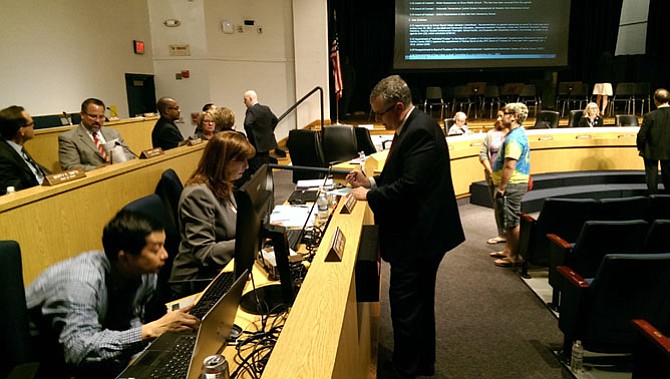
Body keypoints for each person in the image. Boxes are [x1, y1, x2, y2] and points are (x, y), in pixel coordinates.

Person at [346, 75, 464, 378]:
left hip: (419, 239)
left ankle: (406, 369)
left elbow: (409, 188)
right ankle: (422, 363)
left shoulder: (420, 130)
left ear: (398, 106)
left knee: (406, 305)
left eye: (380, 113)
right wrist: (370, 180)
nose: (377, 118)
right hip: (423, 234)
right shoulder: (412, 126)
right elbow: (401, 174)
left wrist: (369, 195)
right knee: (419, 304)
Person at [25, 210, 200, 378]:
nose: (165, 255)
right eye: (155, 249)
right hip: (40, 355)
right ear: (124, 257)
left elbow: (131, 317)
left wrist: (138, 356)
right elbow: (77, 350)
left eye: (163, 245)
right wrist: (149, 330)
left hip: (92, 341)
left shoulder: (144, 272)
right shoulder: (81, 283)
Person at [170, 131, 255, 297]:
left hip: (223, 268)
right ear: (221, 161)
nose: (246, 166)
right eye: (240, 160)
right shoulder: (198, 194)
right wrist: (250, 241)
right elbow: (205, 252)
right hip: (196, 280)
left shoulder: (222, 184)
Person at [490, 103, 531, 267]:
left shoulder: (514, 138)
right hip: (513, 183)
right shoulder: (517, 133)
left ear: (514, 116)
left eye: (505, 113)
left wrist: (501, 188)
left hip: (512, 184)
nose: (502, 116)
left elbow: (509, 165)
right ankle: (508, 250)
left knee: (512, 220)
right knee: (507, 219)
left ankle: (513, 256)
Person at [59, 98, 134, 171]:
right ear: (82, 115)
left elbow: (129, 154)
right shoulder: (69, 138)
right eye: (93, 116)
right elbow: (70, 167)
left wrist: (120, 160)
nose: (98, 120)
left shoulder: (112, 133)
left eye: (101, 117)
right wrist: (102, 168)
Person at [0, 105, 50, 194]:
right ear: (21, 130)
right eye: (31, 124)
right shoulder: (4, 157)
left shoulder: (17, 148)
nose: (34, 127)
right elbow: (15, 193)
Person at [479, 110, 507, 245]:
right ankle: (501, 233)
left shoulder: (514, 134)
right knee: (498, 205)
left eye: (502, 116)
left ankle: (512, 236)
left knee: (509, 206)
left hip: (509, 176)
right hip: (492, 176)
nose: (499, 118)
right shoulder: (491, 134)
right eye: (498, 116)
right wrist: (490, 171)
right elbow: (483, 154)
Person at [636, 88, 670, 194]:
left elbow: (641, 135)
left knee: (652, 176)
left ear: (655, 100)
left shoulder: (650, 116)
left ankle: (653, 198)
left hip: (651, 150)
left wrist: (640, 147)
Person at [243, 90, 279, 174]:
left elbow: (247, 123)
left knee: (257, 170)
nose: (244, 102)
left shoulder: (252, 110)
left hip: (256, 145)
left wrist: (251, 137)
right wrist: (269, 131)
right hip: (266, 144)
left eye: (245, 100)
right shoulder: (266, 108)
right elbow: (275, 120)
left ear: (250, 99)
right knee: (266, 168)